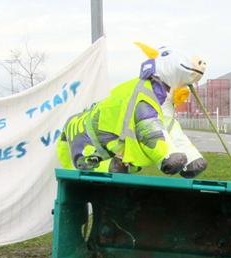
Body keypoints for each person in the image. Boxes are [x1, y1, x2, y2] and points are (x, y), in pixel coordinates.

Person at [55, 42, 208, 178]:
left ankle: (190, 159)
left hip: (114, 132)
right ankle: (110, 167)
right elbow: (149, 129)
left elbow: (169, 126)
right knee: (87, 159)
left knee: (160, 133)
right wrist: (166, 156)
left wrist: (191, 157)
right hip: (87, 130)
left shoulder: (163, 99)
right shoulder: (145, 95)